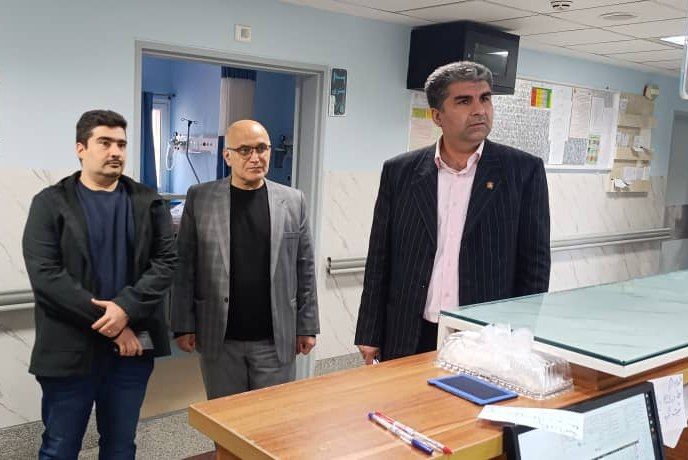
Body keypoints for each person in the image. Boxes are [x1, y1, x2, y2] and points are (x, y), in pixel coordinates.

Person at [355, 61, 551, 363]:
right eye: (464, 101)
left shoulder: (523, 171)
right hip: (410, 330)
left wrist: (521, 337)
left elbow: (534, 266)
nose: (479, 110)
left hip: (485, 336)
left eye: (485, 98)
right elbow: (380, 256)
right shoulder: (401, 172)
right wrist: (369, 331)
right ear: (437, 116)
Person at [22, 109, 178, 459]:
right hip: (69, 350)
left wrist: (126, 309)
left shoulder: (148, 202)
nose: (115, 152)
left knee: (120, 446)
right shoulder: (50, 203)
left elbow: (166, 263)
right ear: (81, 148)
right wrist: (114, 324)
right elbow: (46, 275)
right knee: (60, 448)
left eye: (121, 144)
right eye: (105, 143)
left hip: (131, 352)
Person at [171, 119, 319, 399]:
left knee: (273, 417)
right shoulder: (201, 198)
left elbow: (305, 267)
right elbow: (185, 265)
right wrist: (183, 324)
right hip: (220, 337)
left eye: (262, 148)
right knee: (226, 417)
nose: (255, 157)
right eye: (244, 150)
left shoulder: (293, 200)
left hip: (275, 338)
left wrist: (307, 326)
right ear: (227, 156)